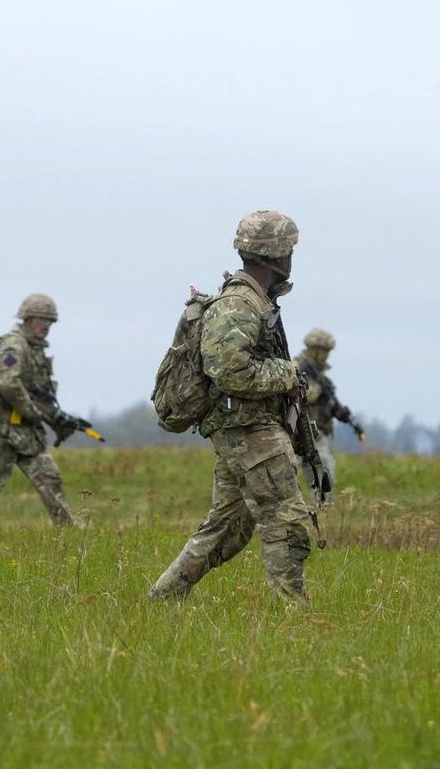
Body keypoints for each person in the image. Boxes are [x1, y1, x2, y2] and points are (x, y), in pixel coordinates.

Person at [149, 211, 314, 604]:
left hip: (242, 429)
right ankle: (295, 619)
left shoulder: (254, 301)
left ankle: (162, 600)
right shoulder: (239, 303)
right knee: (287, 524)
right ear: (279, 254)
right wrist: (287, 373)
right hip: (248, 431)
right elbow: (229, 372)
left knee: (229, 527)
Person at [0, 293, 80, 528]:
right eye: (41, 319)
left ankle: (69, 530)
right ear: (27, 318)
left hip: (24, 432)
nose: (46, 326)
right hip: (2, 431)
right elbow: (8, 382)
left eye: (49, 321)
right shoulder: (13, 348)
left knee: (49, 477)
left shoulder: (33, 349)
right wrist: (33, 411)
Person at [294, 327, 360, 493]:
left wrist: (338, 412)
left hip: (316, 431)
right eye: (324, 351)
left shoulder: (320, 375)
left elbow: (326, 402)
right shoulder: (296, 367)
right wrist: (317, 391)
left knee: (324, 471)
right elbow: (297, 394)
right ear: (315, 350)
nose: (326, 356)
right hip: (295, 430)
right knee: (287, 473)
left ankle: (324, 510)